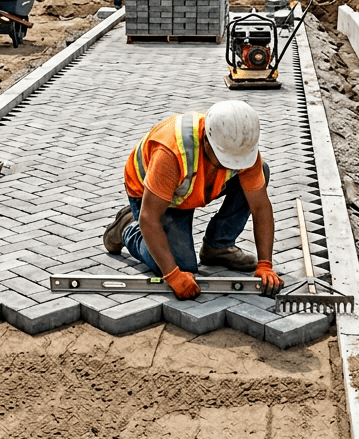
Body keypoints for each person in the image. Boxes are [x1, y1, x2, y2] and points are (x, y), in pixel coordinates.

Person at [102, 100, 283, 300]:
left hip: (189, 187)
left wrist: (265, 264)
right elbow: (150, 217)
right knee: (180, 265)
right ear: (207, 140)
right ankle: (128, 226)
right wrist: (172, 275)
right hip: (156, 197)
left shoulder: (240, 145)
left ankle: (218, 247)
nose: (233, 166)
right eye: (226, 160)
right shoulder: (172, 152)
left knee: (261, 172)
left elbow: (260, 208)